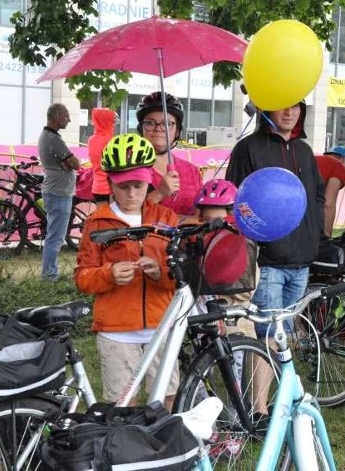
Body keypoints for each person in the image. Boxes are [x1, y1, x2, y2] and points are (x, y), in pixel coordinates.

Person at [74, 133, 180, 408]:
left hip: (161, 324)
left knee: (166, 397)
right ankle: (127, 450)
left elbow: (180, 274)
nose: (132, 194)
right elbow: (83, 277)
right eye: (123, 186)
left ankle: (162, 449)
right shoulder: (97, 223)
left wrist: (160, 273)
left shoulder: (165, 218)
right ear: (109, 183)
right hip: (116, 330)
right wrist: (108, 274)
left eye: (138, 185)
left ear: (149, 181)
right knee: (123, 404)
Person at [225, 100, 324, 340]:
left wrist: (316, 236)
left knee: (285, 333)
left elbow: (317, 197)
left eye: (296, 106)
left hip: (302, 262)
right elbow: (234, 199)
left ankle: (279, 378)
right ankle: (258, 378)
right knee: (269, 335)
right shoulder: (248, 148)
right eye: (283, 105)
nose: (289, 112)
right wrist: (256, 238)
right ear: (268, 108)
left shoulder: (304, 150)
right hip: (268, 263)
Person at [194, 178, 257, 339]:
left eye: (220, 221)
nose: (213, 228)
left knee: (243, 359)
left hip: (236, 317)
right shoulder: (200, 243)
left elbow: (245, 291)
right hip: (206, 315)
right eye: (207, 221)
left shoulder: (240, 244)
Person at [136, 92, 202, 219]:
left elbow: (202, 215)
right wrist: (159, 193)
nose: (159, 128)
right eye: (150, 123)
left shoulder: (191, 171)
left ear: (177, 131)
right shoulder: (131, 167)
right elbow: (124, 216)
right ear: (141, 129)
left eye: (167, 123)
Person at [38, 103, 81, 281]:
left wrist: (67, 163)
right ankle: (49, 275)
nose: (69, 119)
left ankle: (50, 272)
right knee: (56, 237)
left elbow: (69, 163)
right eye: (66, 116)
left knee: (55, 235)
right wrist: (69, 163)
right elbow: (76, 163)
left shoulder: (49, 137)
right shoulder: (53, 139)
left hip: (57, 190)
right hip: (58, 192)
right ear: (55, 116)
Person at [315, 146, 345, 236]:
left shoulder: (313, 159)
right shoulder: (338, 166)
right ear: (343, 160)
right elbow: (328, 204)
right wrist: (327, 235)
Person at [87, 107, 117, 203]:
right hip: (112, 189)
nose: (114, 124)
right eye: (112, 120)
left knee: (101, 216)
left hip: (97, 188)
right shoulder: (113, 141)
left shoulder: (91, 140)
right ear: (107, 121)